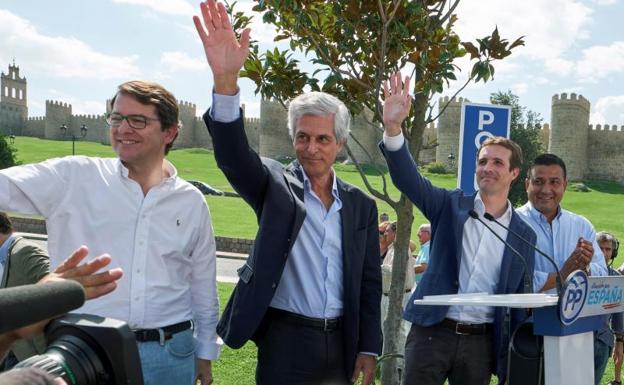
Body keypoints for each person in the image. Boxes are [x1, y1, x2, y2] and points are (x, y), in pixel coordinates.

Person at [193, 1, 382, 384]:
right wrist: (226, 81)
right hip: (286, 341)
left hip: (342, 342)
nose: (312, 148)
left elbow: (368, 281)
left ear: (341, 144)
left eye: (323, 139)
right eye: (303, 137)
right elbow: (233, 156)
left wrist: (368, 346)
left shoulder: (361, 206)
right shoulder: (274, 185)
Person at [0, 80, 221, 384]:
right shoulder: (73, 177)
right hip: (89, 351)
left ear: (169, 132)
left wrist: (205, 352)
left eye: (138, 120)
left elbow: (203, 284)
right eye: (117, 118)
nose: (122, 128)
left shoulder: (191, 202)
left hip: (171, 354)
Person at [380, 72, 536, 385]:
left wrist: (510, 365)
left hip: (480, 345)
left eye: (497, 163)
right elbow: (409, 179)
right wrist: (394, 129)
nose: (487, 168)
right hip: (431, 334)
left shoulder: (525, 235)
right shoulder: (449, 205)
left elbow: (519, 300)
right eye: (482, 162)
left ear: (514, 173)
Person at [517, 153, 607, 294]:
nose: (546, 190)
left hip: (575, 315)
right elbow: (513, 282)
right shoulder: (512, 224)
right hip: (529, 315)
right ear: (527, 184)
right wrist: (563, 274)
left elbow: (603, 273)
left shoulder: (582, 226)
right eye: (538, 182)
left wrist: (586, 268)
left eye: (554, 182)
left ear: (564, 185)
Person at [380, 222, 414, 353]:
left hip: (399, 296)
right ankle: (388, 364)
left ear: (396, 233)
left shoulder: (402, 249)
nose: (385, 234)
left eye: (388, 231)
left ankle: (398, 366)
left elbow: (396, 270)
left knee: (400, 332)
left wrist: (376, 268)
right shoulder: (392, 248)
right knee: (387, 330)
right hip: (388, 295)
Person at [595, 232, 623, 385]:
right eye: (600, 249)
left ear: (613, 253)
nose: (604, 253)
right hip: (580, 340)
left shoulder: (616, 278)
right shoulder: (582, 275)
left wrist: (619, 341)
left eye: (608, 249)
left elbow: (619, 314)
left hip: (604, 341)